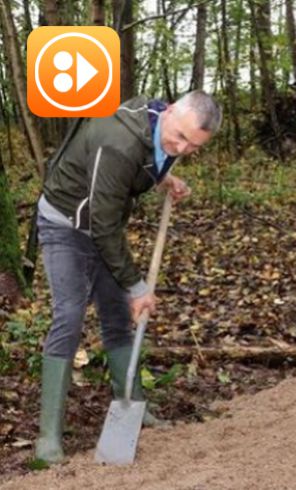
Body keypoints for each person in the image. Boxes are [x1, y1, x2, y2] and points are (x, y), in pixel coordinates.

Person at [35, 91, 222, 464]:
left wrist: (166, 177)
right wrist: (137, 287)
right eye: (181, 137)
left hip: (103, 226)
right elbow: (104, 224)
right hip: (65, 225)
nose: (182, 148)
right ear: (169, 111)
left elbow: (147, 159)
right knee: (70, 317)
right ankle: (48, 436)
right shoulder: (118, 141)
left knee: (118, 318)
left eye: (192, 146)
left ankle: (134, 406)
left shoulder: (159, 124)